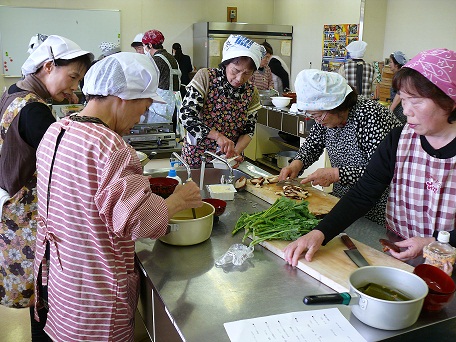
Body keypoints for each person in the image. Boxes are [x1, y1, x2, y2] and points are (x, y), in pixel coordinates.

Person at [33, 52, 202, 341]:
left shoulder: (56, 130)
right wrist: (179, 200)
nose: (140, 118)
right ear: (123, 98)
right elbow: (138, 222)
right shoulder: (110, 146)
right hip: (96, 289)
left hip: (61, 277)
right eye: (143, 107)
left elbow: (86, 197)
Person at [283, 48, 456, 268]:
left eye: (416, 101)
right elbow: (364, 192)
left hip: (448, 257)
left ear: (450, 101)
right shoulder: (399, 139)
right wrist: (320, 233)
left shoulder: (370, 115)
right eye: (403, 100)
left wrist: (433, 242)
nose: (407, 111)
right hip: (400, 246)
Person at [0, 35, 93, 341]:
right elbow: (66, 162)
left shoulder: (13, 92)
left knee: (33, 299)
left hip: (10, 208)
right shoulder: (34, 111)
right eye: (72, 76)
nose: (75, 87)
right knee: (42, 301)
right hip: (28, 219)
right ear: (49, 66)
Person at [279, 69, 402, 226]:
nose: (317, 121)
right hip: (348, 198)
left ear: (337, 105)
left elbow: (382, 172)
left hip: (380, 202)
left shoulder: (371, 115)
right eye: (313, 116)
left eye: (319, 115)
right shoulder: (324, 118)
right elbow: (313, 143)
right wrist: (297, 163)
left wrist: (337, 174)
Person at [179, 34, 265, 167]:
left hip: (229, 160)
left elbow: (249, 130)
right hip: (197, 157)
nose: (239, 79)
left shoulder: (251, 92)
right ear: (226, 63)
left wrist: (236, 151)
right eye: (235, 71)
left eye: (247, 73)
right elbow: (186, 116)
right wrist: (217, 136)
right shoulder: (206, 77)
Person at [142, 29, 182, 126]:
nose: (144, 49)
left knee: (158, 135)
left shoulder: (156, 60)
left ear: (150, 45)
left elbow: (146, 83)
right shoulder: (171, 57)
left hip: (160, 107)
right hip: (174, 104)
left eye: (144, 46)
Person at [388, 51, 408, 124]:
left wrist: (390, 110)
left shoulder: (401, 75)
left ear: (396, 64)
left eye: (390, 62)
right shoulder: (400, 74)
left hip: (400, 111)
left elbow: (399, 94)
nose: (389, 64)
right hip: (398, 109)